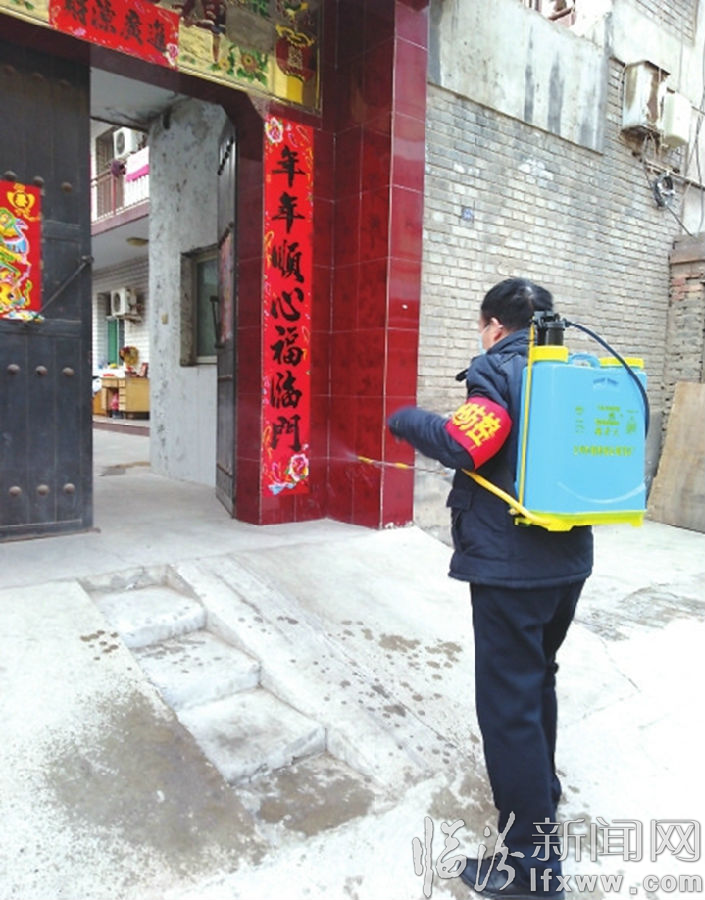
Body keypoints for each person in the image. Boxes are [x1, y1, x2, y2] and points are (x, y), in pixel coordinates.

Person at [388, 278, 593, 899]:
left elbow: (465, 444)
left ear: (495, 327)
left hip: (512, 571)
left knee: (508, 708)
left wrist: (408, 419)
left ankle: (532, 869)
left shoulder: (498, 369)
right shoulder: (575, 373)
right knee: (537, 679)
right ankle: (542, 791)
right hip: (568, 563)